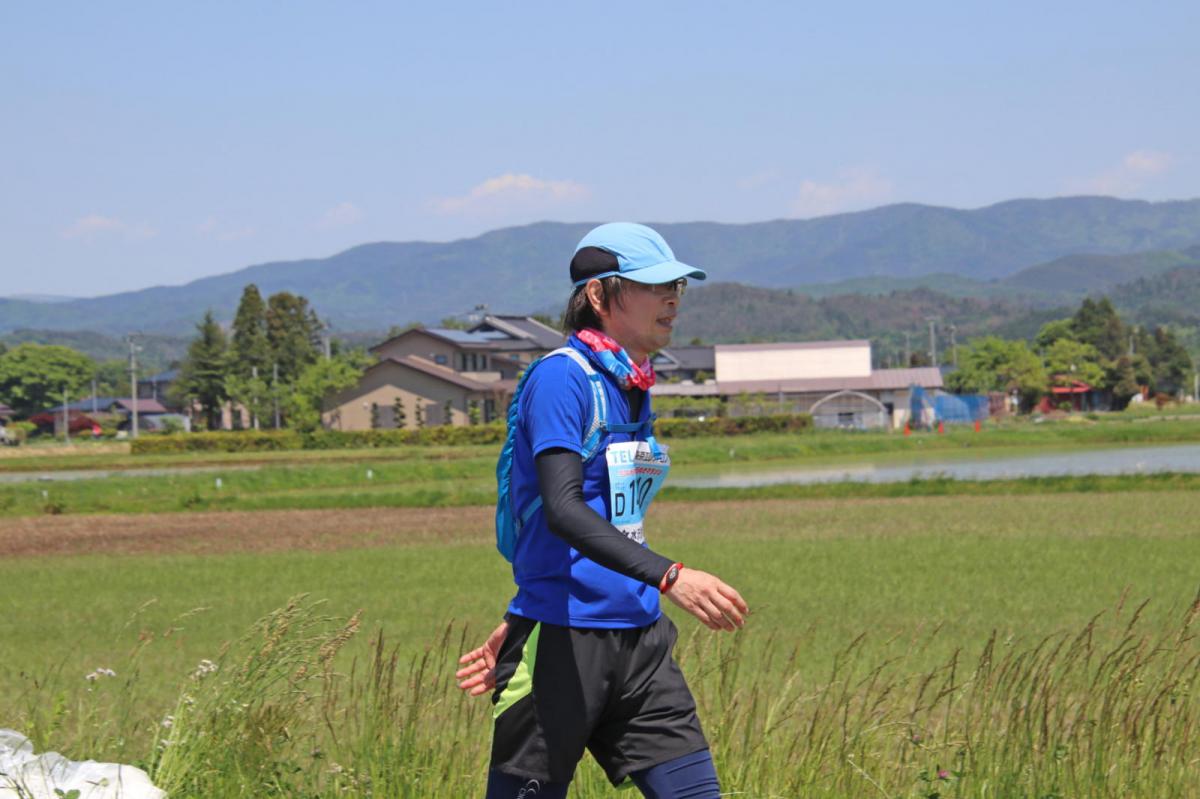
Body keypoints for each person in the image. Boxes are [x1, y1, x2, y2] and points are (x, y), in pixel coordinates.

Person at [456, 223, 749, 799]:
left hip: (640, 643)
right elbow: (563, 509)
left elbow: (616, 517)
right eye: (655, 285)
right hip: (563, 645)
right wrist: (671, 576)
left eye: (679, 287)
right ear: (599, 295)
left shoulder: (633, 382)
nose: (672, 299)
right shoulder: (563, 377)